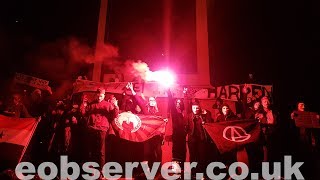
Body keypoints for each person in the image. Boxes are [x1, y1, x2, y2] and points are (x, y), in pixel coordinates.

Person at [83, 88, 119, 170]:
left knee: (101, 150)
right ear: (96, 95)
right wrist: (83, 104)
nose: (99, 98)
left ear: (104, 96)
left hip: (102, 129)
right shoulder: (91, 104)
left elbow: (115, 115)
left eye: (101, 96)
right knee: (91, 149)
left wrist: (116, 105)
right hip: (91, 128)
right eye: (98, 96)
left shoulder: (108, 105)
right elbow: (83, 113)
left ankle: (101, 169)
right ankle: (91, 168)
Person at [185, 101, 214, 178]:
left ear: (199, 108)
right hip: (192, 139)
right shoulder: (189, 116)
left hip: (202, 139)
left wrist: (206, 115)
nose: (195, 109)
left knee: (202, 156)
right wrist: (187, 134)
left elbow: (210, 124)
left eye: (197, 107)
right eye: (193, 108)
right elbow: (186, 127)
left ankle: (201, 173)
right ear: (191, 108)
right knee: (193, 156)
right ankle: (193, 172)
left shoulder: (203, 115)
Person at [167, 88, 187, 173]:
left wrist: (185, 94)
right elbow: (171, 103)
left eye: (180, 102)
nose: (178, 104)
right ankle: (175, 170)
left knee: (183, 153)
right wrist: (168, 91)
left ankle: (181, 170)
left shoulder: (184, 113)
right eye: (177, 102)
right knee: (176, 153)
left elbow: (187, 105)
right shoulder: (175, 114)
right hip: (176, 137)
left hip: (183, 138)